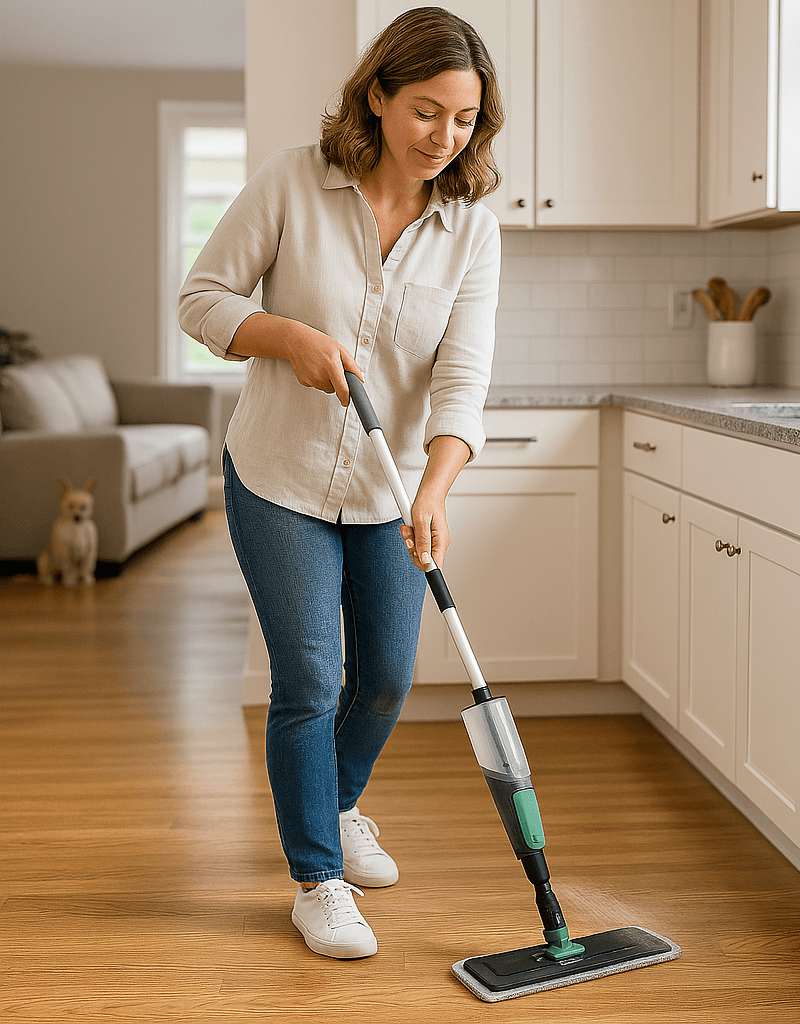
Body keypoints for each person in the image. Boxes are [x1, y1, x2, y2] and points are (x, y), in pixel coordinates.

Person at [178, 6, 504, 961]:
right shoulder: (293, 182)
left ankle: (339, 802)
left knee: (388, 680)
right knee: (312, 679)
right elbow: (201, 299)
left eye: (464, 119)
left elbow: (462, 380)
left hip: (390, 489)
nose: (443, 137)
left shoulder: (472, 232)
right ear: (378, 97)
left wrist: (436, 489)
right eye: (426, 111)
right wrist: (286, 337)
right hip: (277, 474)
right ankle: (317, 878)